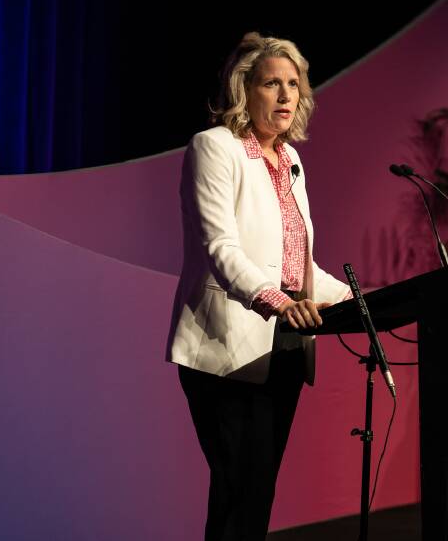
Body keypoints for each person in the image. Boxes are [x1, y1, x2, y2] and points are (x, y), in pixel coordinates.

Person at [166, 32, 350, 541]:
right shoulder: (214, 148)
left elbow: (300, 264)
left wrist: (362, 300)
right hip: (227, 347)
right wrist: (277, 302)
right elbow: (220, 247)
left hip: (285, 349)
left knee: (258, 492)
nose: (287, 95)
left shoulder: (291, 162)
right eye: (273, 83)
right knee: (237, 490)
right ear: (245, 89)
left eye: (294, 84)